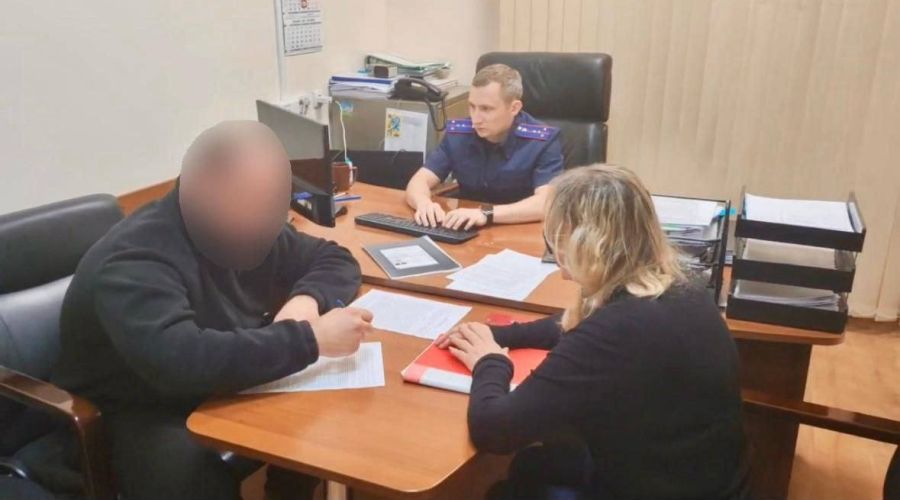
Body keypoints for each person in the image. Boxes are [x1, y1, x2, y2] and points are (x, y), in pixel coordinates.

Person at [52, 121, 373, 500]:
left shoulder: (251, 224)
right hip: (130, 409)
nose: (263, 224)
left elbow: (336, 260)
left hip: (205, 382)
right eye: (249, 208)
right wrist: (310, 340)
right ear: (203, 191)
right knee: (190, 472)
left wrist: (305, 301)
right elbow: (180, 361)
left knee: (309, 410)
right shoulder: (135, 259)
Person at [436, 165, 750, 499]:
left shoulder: (616, 332)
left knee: (505, 489)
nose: (559, 265)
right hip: (698, 477)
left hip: (661, 488)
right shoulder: (676, 287)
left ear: (587, 244)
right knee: (535, 463)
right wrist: (504, 335)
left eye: (555, 243)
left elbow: (493, 430)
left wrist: (489, 360)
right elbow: (585, 323)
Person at [405, 63, 564, 230]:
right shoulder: (458, 135)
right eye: (472, 106)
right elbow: (420, 180)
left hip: (519, 229)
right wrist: (423, 204)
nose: (476, 118)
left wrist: (486, 214)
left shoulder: (542, 141)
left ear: (514, 108)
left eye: (486, 109)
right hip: (466, 228)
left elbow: (545, 203)